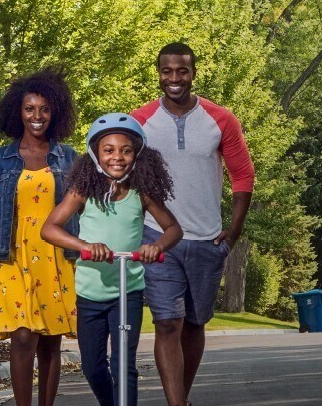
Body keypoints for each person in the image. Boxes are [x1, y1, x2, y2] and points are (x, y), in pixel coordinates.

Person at [129, 42, 255, 406]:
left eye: (182, 71)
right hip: (158, 237)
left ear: (193, 73)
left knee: (195, 324)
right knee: (168, 322)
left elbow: (243, 175)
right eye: (167, 71)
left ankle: (180, 397)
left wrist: (233, 231)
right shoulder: (140, 121)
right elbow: (121, 172)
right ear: (158, 74)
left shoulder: (221, 119)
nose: (174, 78)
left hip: (207, 239)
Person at [42, 113, 182, 406]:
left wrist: (155, 247)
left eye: (126, 150)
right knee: (93, 368)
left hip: (127, 293)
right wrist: (85, 246)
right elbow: (49, 229)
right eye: (109, 150)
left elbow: (173, 229)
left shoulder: (141, 194)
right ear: (95, 154)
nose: (117, 157)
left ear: (137, 155)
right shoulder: (83, 191)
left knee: (124, 367)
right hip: (90, 293)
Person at [0, 69, 80, 406]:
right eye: (30, 108)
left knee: (50, 341)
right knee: (21, 338)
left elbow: (86, 209)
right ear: (17, 112)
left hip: (56, 258)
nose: (37, 116)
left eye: (44, 109)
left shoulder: (69, 158)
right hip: (12, 256)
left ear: (55, 112)